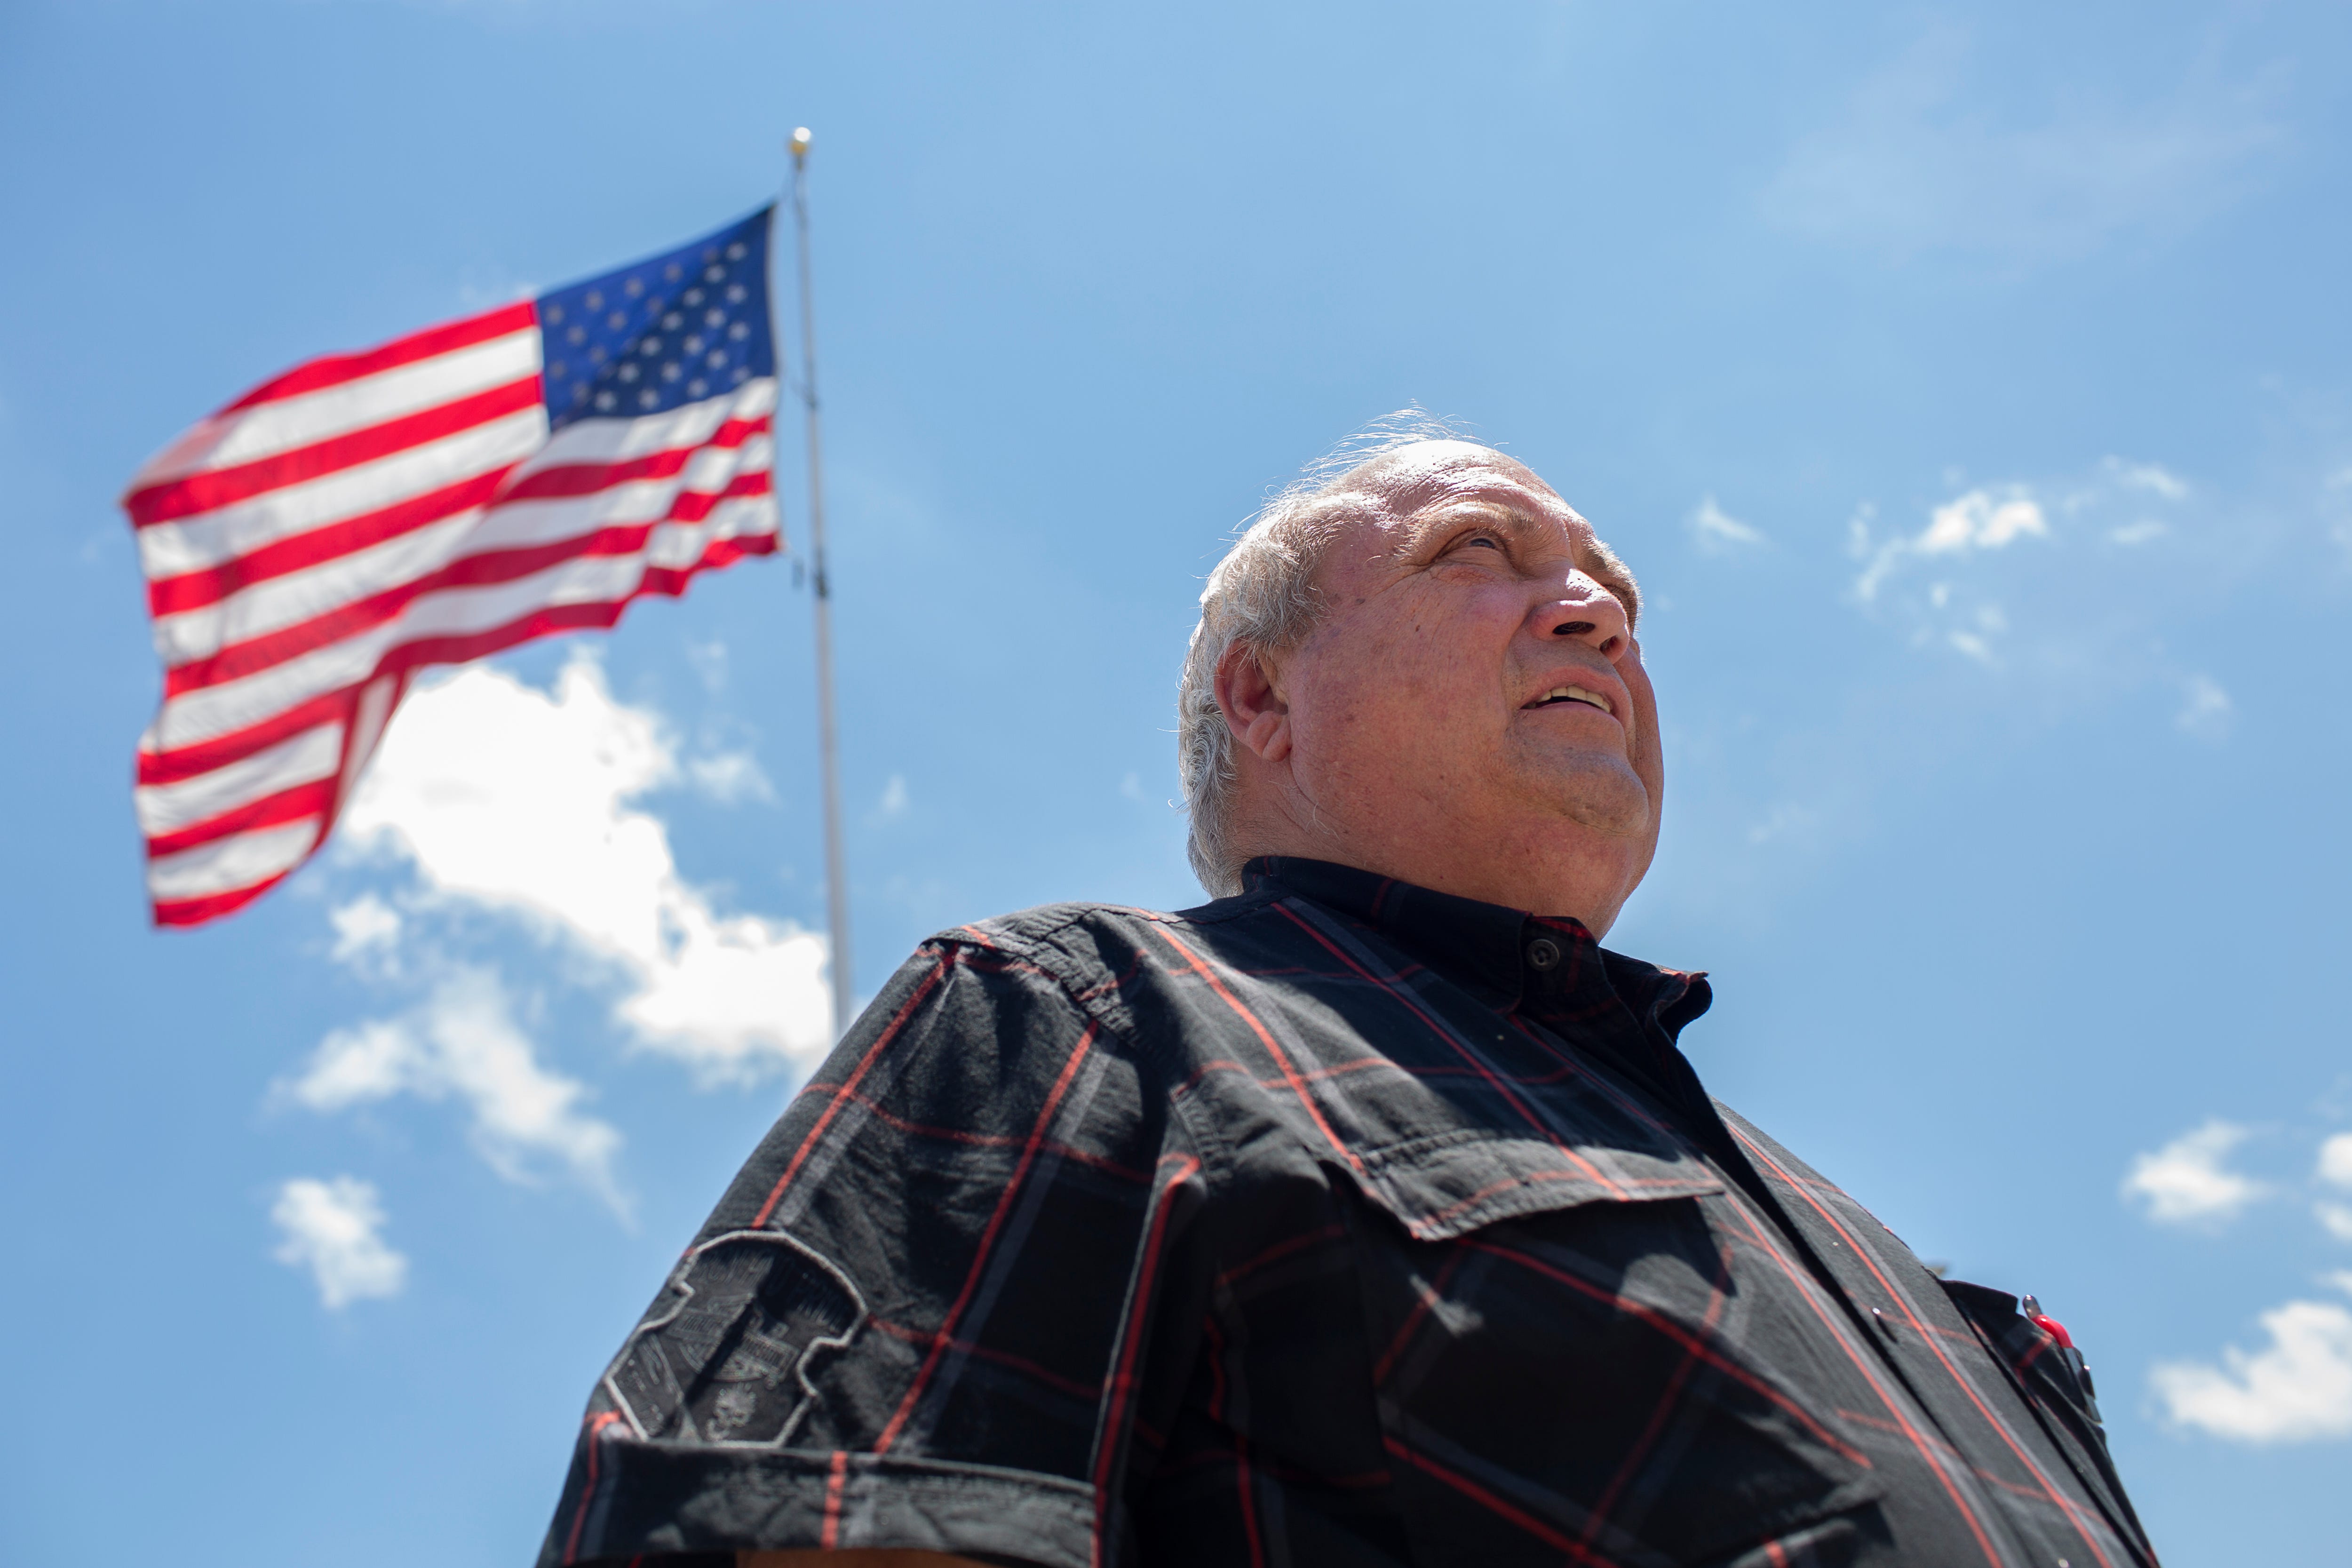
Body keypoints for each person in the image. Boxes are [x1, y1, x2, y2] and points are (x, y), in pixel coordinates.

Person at [538, 419, 2155, 1568]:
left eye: (1613, 594)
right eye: (1481, 553)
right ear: (1262, 693)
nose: (1595, 609)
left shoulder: (1852, 1237)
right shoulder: (1096, 1016)